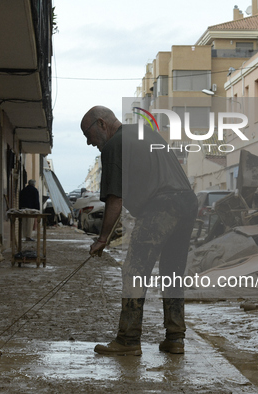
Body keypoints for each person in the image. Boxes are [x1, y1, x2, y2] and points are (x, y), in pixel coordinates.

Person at [80, 106, 197, 356]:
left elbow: (115, 199)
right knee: (172, 272)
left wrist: (103, 239)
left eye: (87, 134)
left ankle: (128, 340)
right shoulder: (144, 132)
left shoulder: (114, 146)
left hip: (162, 205)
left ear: (101, 124)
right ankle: (175, 338)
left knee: (134, 270)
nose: (89, 143)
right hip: (187, 202)